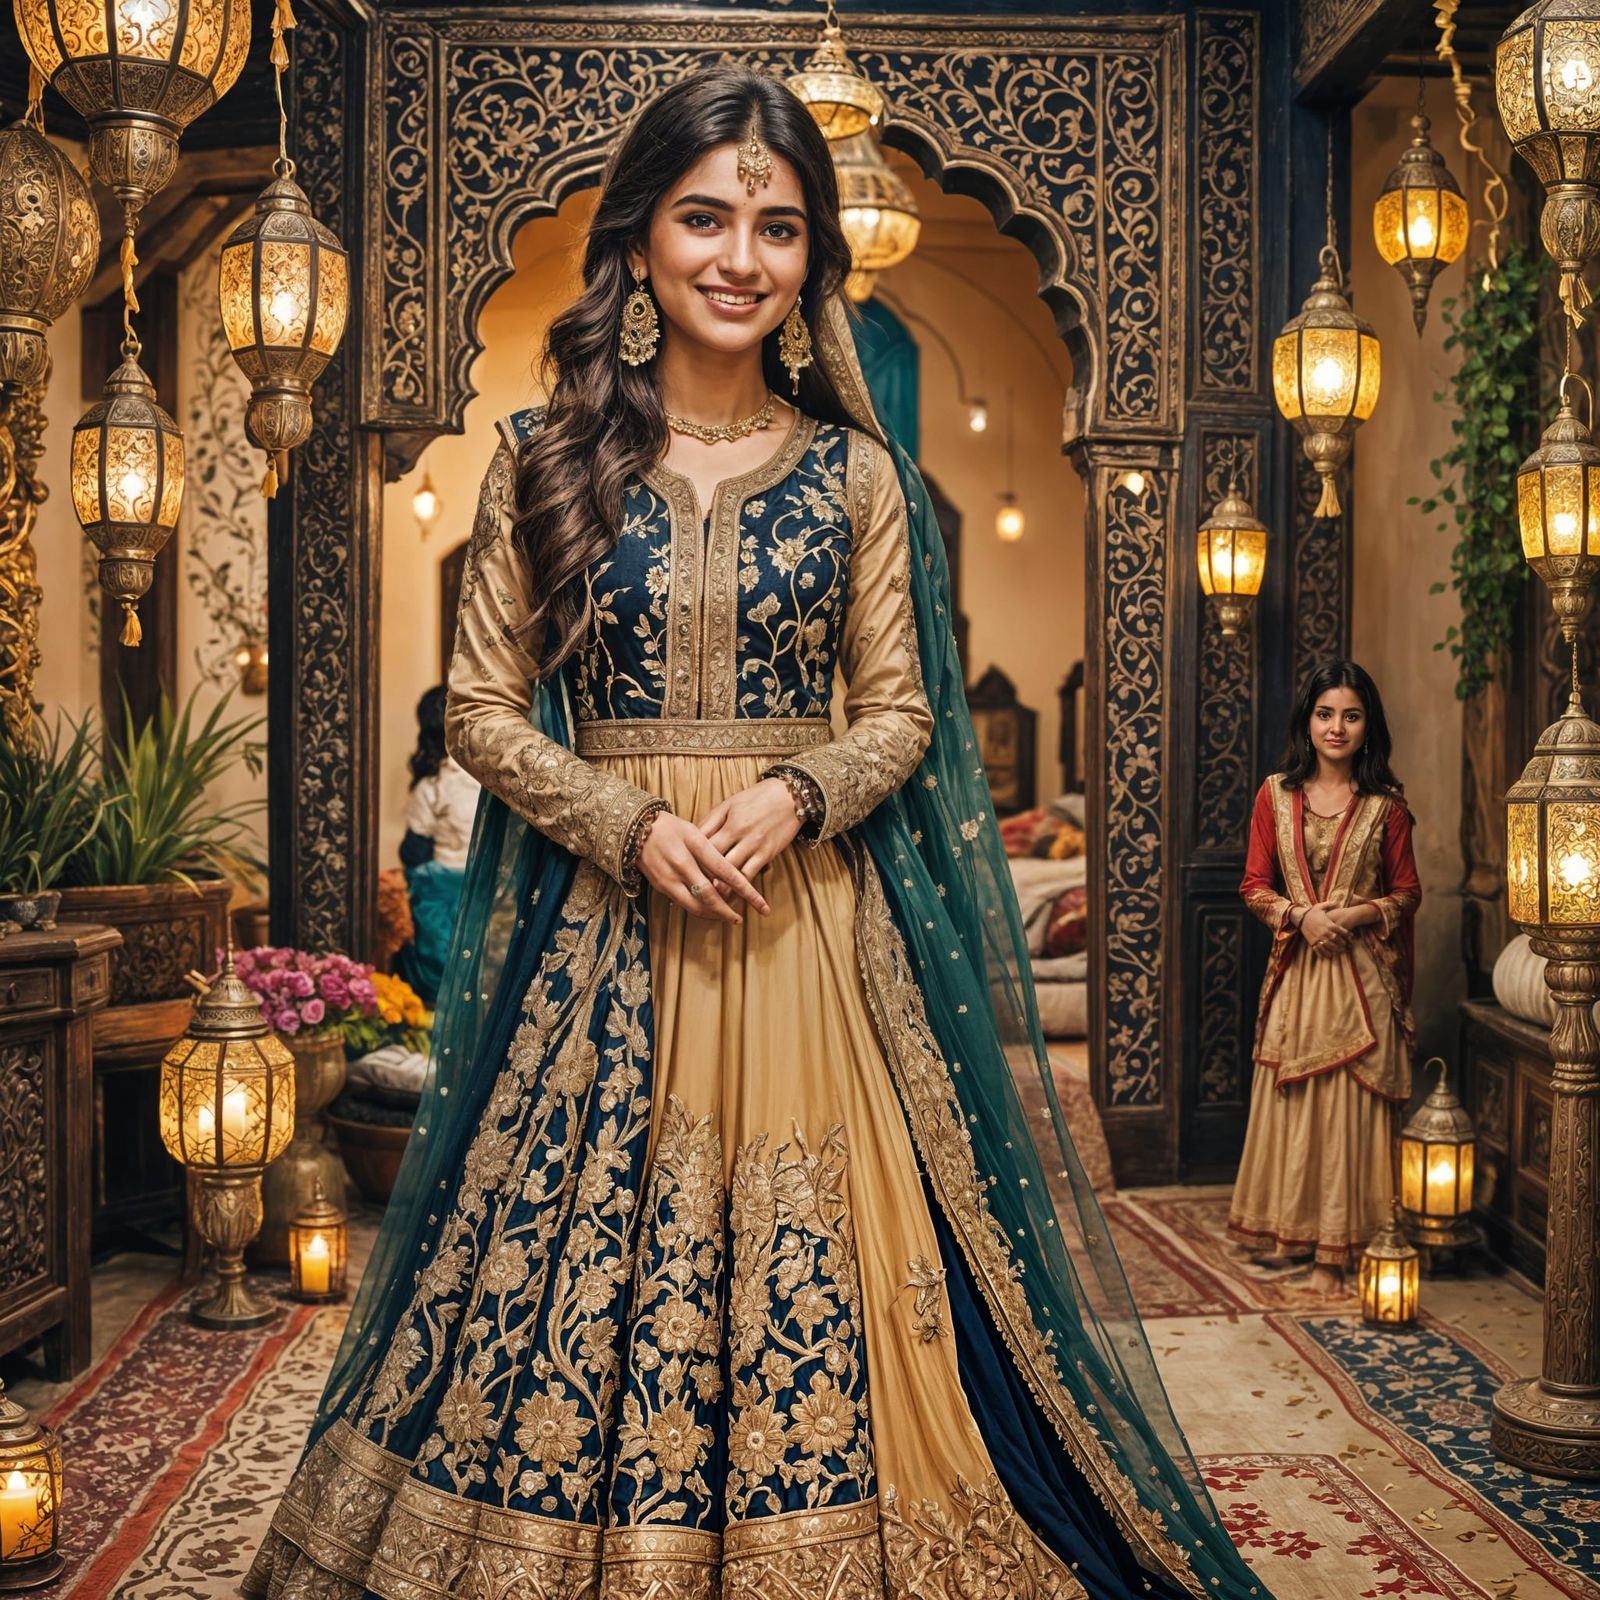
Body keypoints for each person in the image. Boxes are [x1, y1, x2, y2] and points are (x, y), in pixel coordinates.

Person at [246, 66, 1268, 1600]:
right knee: (560, 1289)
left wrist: (794, 796)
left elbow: (901, 716)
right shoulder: (549, 457)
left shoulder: (860, 475)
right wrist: (623, 821)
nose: (740, 257)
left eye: (778, 228)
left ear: (814, 261)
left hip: (807, 933)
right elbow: (479, 707)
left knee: (839, 1280)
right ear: (643, 240)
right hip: (606, 930)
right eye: (705, 217)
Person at [1228, 659, 1421, 1296]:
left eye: (1351, 715)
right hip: (1300, 974)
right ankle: (1295, 1236)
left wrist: (1356, 913)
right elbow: (1254, 885)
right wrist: (1303, 918)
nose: (1337, 727)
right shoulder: (1274, 796)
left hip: (1363, 981)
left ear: (1369, 726)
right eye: (1325, 713)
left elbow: (1407, 894)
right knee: (1298, 1105)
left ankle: (1337, 1256)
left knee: (1346, 1110)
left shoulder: (1386, 807)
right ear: (1307, 721)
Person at [396, 685, 482, 1004]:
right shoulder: (489, 775)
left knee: (436, 956)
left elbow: (414, 850)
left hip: (443, 888)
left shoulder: (432, 785)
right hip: (486, 884)